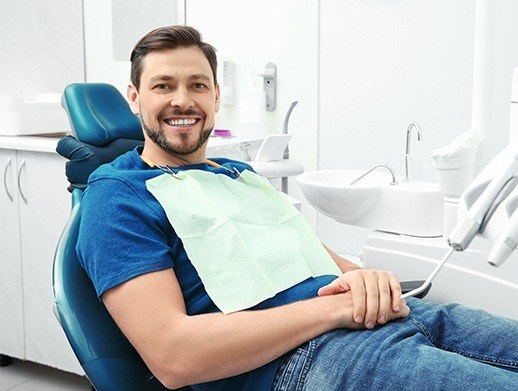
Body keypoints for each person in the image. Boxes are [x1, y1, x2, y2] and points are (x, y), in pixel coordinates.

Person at [77, 25, 518, 391]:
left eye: (197, 85)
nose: (182, 100)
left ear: (214, 97)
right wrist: (334, 310)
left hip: (391, 318)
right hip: (305, 360)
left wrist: (366, 280)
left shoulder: (241, 174)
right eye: (163, 86)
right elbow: (174, 356)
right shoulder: (117, 197)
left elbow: (314, 258)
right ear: (134, 97)